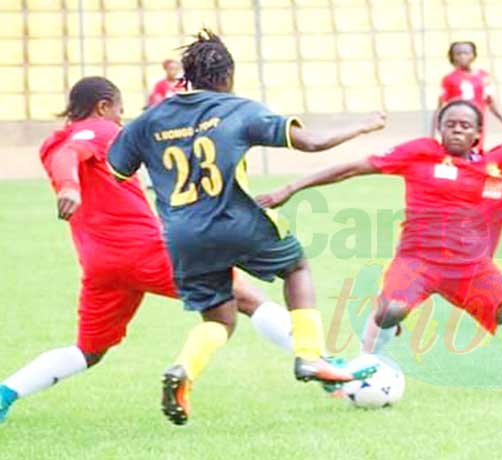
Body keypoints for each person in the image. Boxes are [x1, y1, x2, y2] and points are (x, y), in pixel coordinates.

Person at [256, 101, 502, 394]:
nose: (457, 130)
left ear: (478, 132)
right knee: (390, 309)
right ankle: (362, 373)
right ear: (439, 128)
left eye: (466, 125)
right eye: (450, 124)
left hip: (472, 268)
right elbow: (351, 168)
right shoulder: (419, 153)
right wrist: (291, 187)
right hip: (418, 261)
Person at [106, 30, 384, 425]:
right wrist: (363, 127)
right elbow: (313, 143)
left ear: (187, 76)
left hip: (184, 234)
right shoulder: (239, 108)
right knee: (296, 267)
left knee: (219, 319)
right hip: (237, 220)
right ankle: (309, 356)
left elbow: (117, 171)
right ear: (226, 77)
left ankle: (184, 368)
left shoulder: (147, 121)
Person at [0, 77, 296, 424]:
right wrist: (69, 187)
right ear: (103, 106)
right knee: (247, 298)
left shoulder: (51, 143)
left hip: (100, 265)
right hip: (146, 251)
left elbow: (68, 153)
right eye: (119, 112)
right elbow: (75, 152)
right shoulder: (99, 130)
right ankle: (320, 363)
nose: (121, 121)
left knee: (89, 351)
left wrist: (71, 184)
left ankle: (6, 393)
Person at [433, 41, 502, 150]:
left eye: (466, 53)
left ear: (473, 55)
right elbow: (440, 107)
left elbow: (491, 102)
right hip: (458, 122)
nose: (462, 56)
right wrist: (433, 131)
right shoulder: (449, 79)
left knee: (477, 149)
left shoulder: (483, 77)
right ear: (453, 57)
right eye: (458, 54)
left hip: (476, 122)